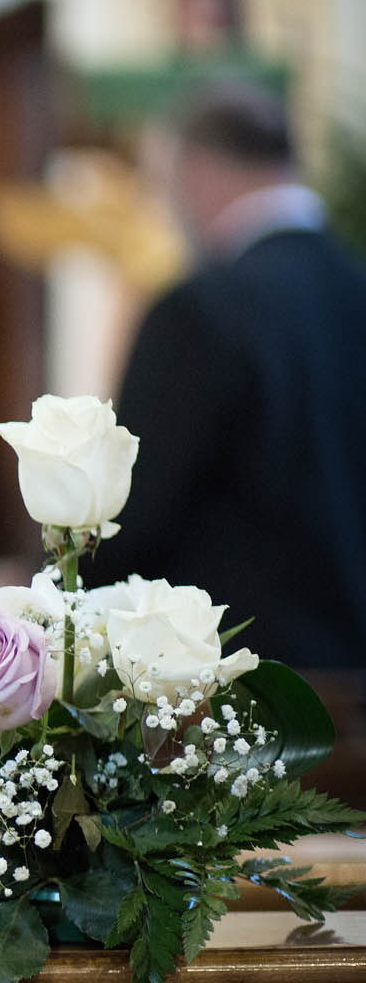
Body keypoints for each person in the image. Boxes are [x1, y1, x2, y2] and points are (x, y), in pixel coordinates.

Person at [94, 82, 366, 666]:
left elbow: (134, 514)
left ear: (197, 168)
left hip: (249, 696)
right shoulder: (356, 292)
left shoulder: (199, 311)